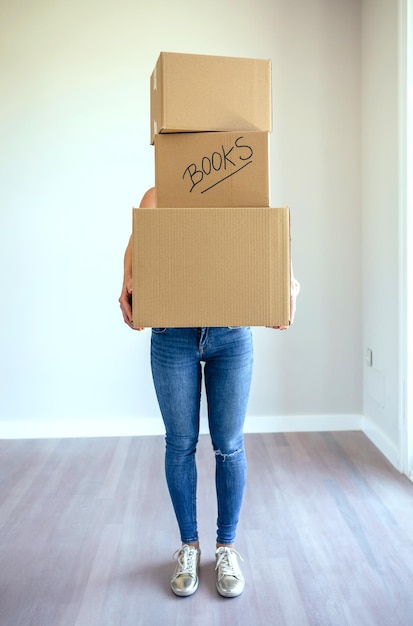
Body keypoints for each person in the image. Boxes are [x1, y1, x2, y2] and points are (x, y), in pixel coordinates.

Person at [119, 187, 300, 598]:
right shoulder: (157, 197)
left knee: (229, 445)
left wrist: (284, 283)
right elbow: (135, 245)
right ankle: (188, 546)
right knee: (180, 443)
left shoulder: (244, 191)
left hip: (231, 332)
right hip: (172, 333)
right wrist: (127, 282)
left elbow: (267, 241)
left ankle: (226, 547)